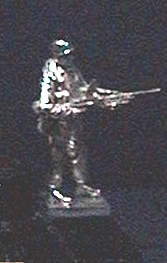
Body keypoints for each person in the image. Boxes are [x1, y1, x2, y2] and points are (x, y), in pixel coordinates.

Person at [33, 39, 127, 207]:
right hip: (57, 124)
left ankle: (81, 185)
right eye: (66, 55)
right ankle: (53, 189)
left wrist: (106, 97)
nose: (70, 58)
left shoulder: (72, 70)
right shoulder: (50, 72)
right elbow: (44, 105)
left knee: (78, 152)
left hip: (73, 122)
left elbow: (84, 90)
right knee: (58, 155)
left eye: (70, 55)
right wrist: (67, 108)